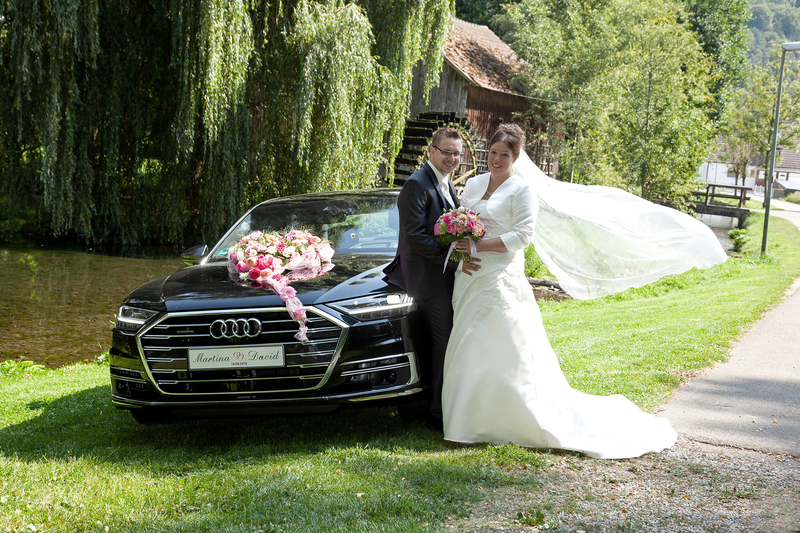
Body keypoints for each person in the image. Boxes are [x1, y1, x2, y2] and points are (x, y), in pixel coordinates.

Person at [441, 123, 710, 459]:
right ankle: (465, 421)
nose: (496, 160)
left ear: (516, 158)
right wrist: (464, 253)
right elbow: (463, 225)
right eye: (493, 153)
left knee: (500, 343)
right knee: (467, 341)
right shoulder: (474, 184)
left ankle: (508, 420)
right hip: (470, 276)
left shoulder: (522, 191)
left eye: (504, 155)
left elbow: (522, 236)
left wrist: (478, 248)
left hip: (501, 277)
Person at [384, 126, 479, 431]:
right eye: (447, 152)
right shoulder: (417, 184)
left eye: (457, 154)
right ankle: (438, 413)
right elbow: (415, 236)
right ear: (432, 151)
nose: (452, 158)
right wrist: (453, 260)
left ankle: (438, 404)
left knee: (444, 341)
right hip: (425, 280)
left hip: (439, 276)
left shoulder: (446, 182)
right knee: (444, 340)